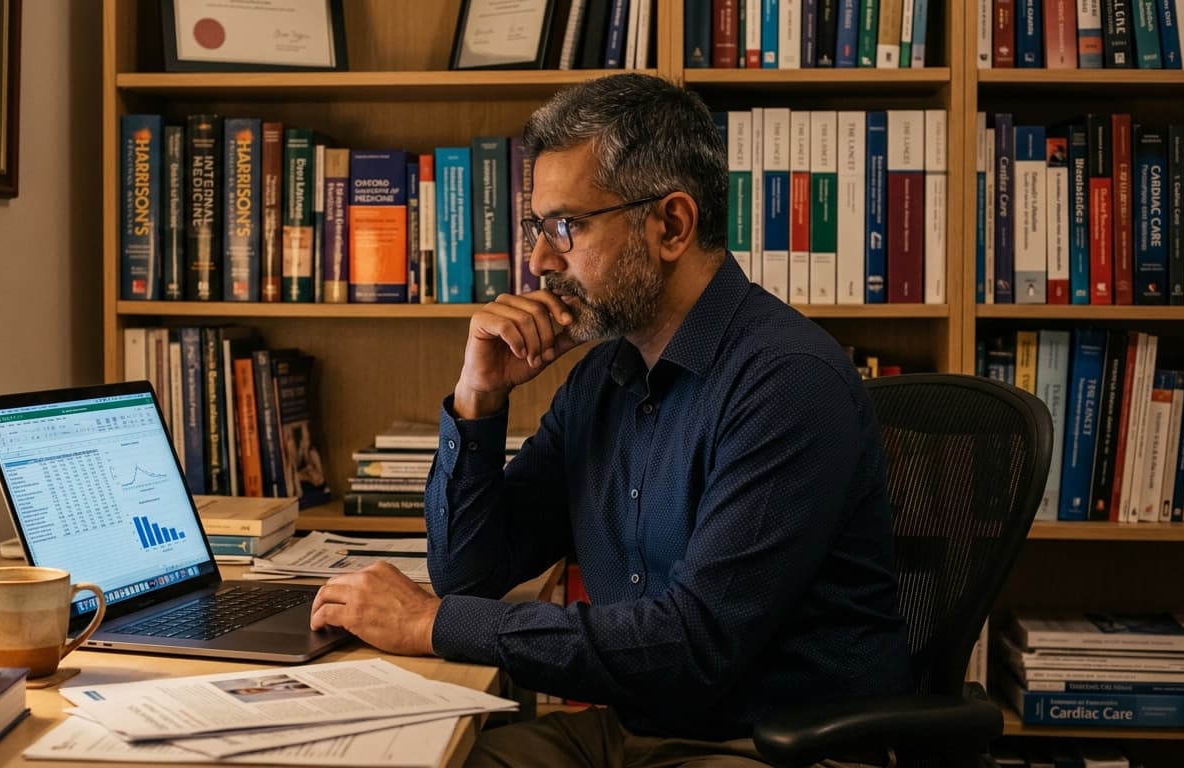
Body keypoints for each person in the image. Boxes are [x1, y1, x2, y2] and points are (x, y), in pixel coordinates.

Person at [310, 73, 912, 767]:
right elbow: (470, 574)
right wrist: (478, 401)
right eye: (539, 227)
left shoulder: (787, 383)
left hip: (772, 748)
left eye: (567, 226)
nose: (539, 260)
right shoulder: (604, 376)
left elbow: (691, 647)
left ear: (671, 225)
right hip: (633, 737)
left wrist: (428, 624)